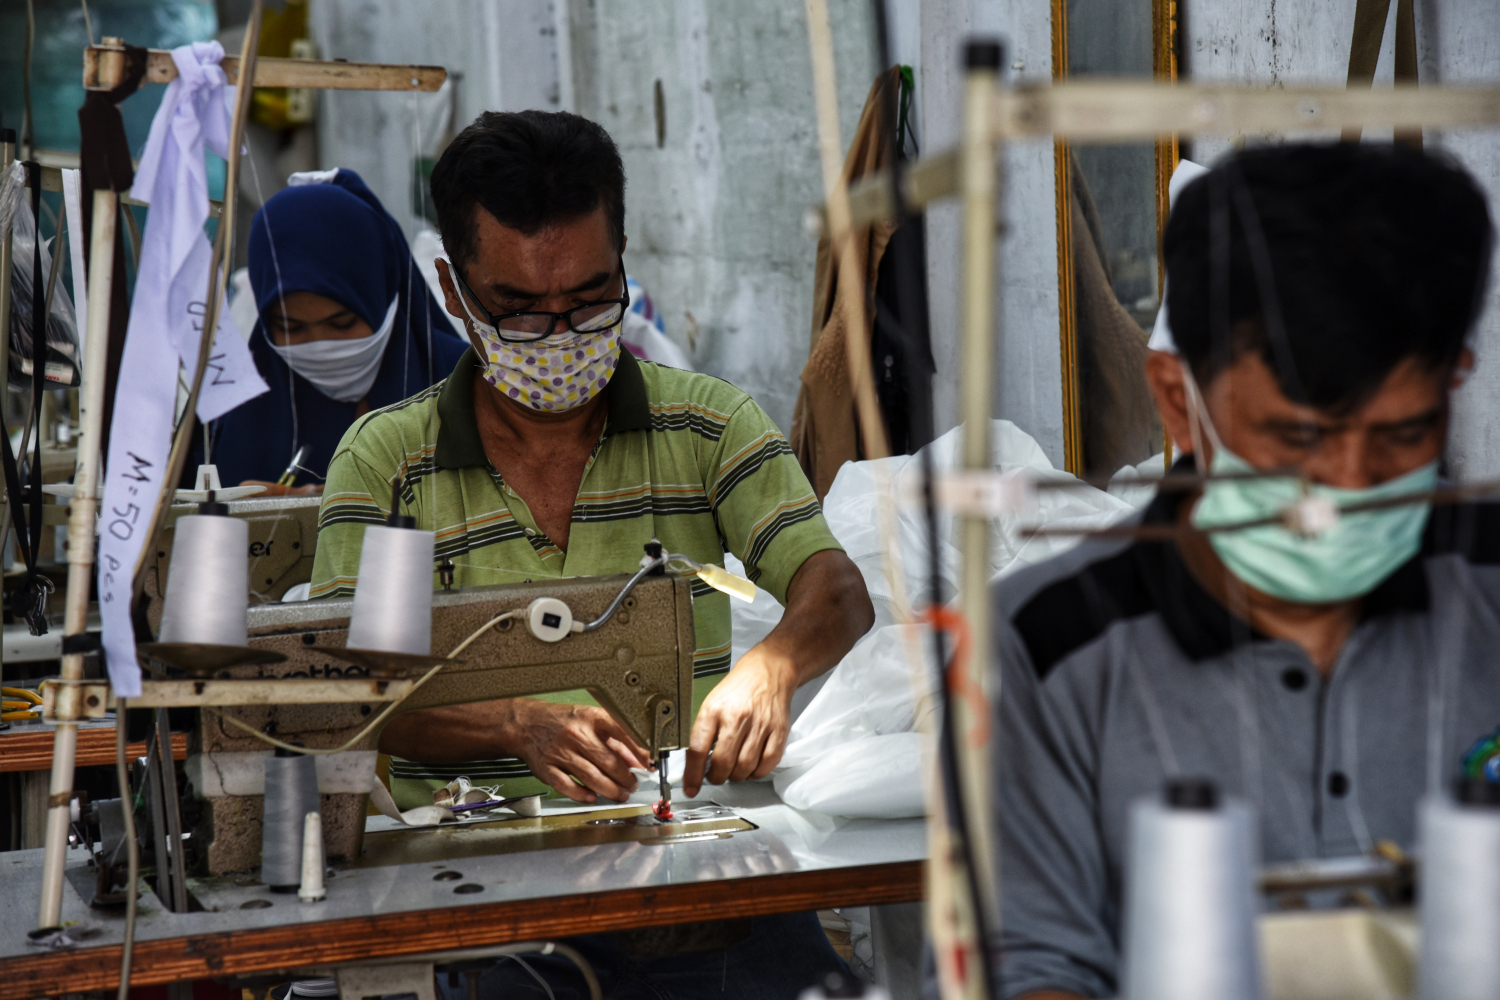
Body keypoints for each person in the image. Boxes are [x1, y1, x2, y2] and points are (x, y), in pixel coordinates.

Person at [308, 110, 874, 997]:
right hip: (483, 905)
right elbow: (349, 695)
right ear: (455, 293)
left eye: (589, 297)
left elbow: (835, 590)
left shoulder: (707, 427)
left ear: (622, 257)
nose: (564, 331)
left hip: (695, 886)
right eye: (523, 310)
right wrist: (511, 723)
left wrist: (772, 664)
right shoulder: (392, 466)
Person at [991, 143, 1497, 999]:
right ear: (1179, 399)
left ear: (1454, 383)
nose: (1346, 491)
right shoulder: (1045, 643)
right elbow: (1028, 963)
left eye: (1399, 438)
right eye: (1297, 440)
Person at [202, 168, 468, 490]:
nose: (320, 344)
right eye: (291, 327)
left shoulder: (467, 384)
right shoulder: (231, 411)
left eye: (341, 323)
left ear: (381, 297)